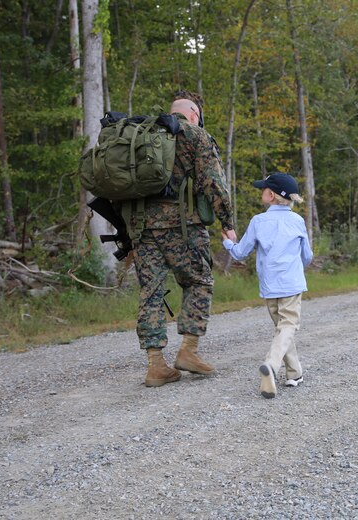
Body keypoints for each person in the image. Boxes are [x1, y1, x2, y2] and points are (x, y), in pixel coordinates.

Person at [135, 92, 237, 387]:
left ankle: (156, 366)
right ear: (193, 114)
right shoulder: (194, 134)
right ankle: (188, 351)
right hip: (184, 227)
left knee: (151, 292)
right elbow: (212, 182)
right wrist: (227, 222)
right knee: (199, 282)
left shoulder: (144, 135)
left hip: (143, 228)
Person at [222, 172, 313, 398]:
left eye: (263, 189)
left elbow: (241, 253)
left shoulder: (258, 221)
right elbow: (307, 256)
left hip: (270, 287)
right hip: (291, 284)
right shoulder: (298, 221)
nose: (261, 191)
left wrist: (227, 243)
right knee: (288, 327)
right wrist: (295, 270)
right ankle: (272, 366)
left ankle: (294, 373)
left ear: (271, 195)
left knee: (282, 328)